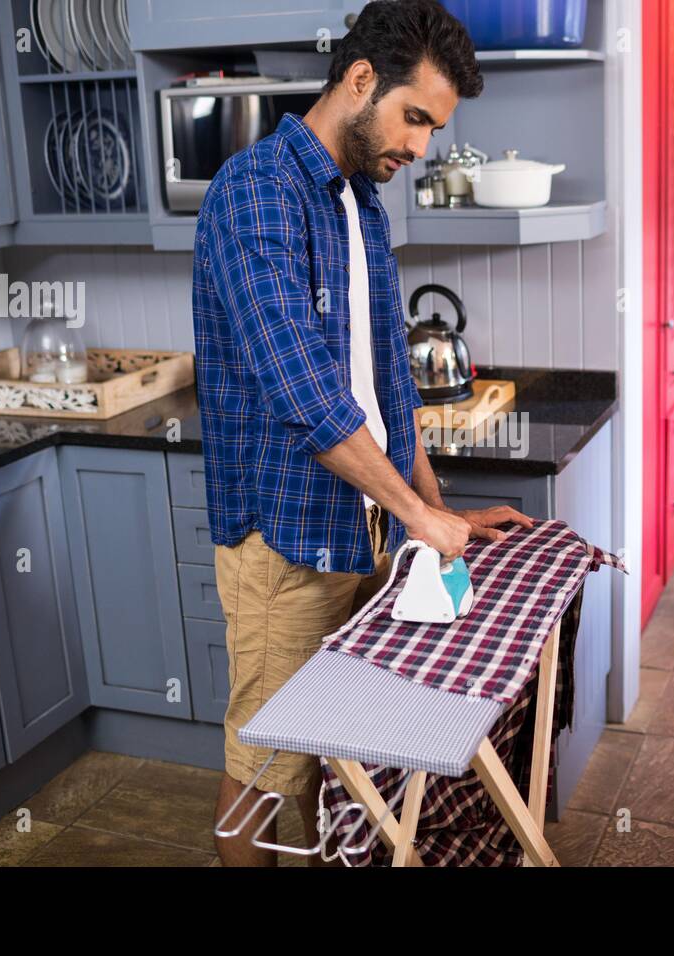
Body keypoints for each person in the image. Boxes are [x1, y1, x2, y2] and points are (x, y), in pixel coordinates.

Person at [192, 0, 534, 866]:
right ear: (357, 81)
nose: (420, 146)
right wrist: (422, 522)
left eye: (434, 127)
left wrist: (434, 508)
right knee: (267, 763)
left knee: (340, 755)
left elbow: (387, 390)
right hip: (286, 539)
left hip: (366, 525)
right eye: (414, 116)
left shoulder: (361, 203)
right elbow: (308, 396)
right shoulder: (254, 192)